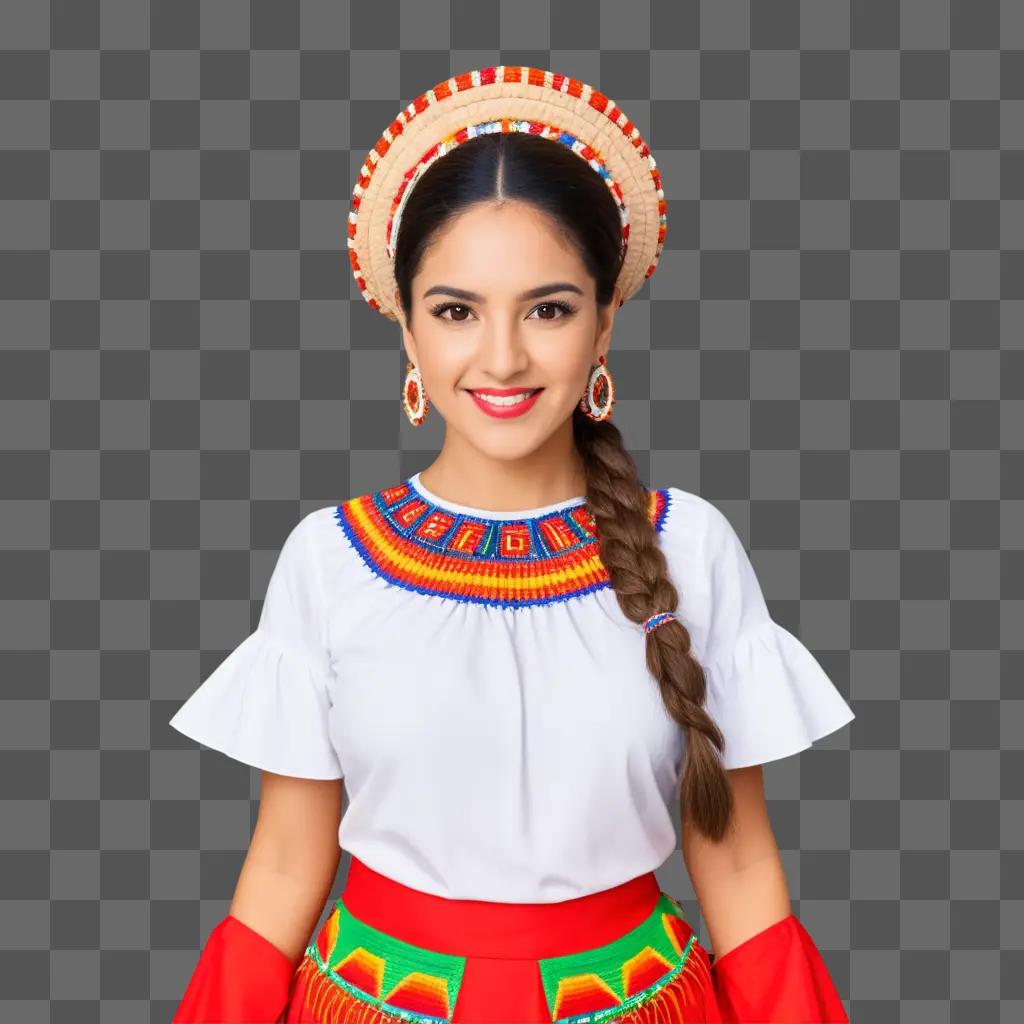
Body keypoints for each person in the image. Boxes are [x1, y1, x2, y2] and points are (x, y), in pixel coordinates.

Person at [167, 65, 856, 1023]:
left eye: (548, 308)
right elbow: (287, 860)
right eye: (455, 311)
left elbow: (735, 863)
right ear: (406, 327)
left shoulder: (690, 547)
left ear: (604, 322)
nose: (501, 358)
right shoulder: (328, 559)